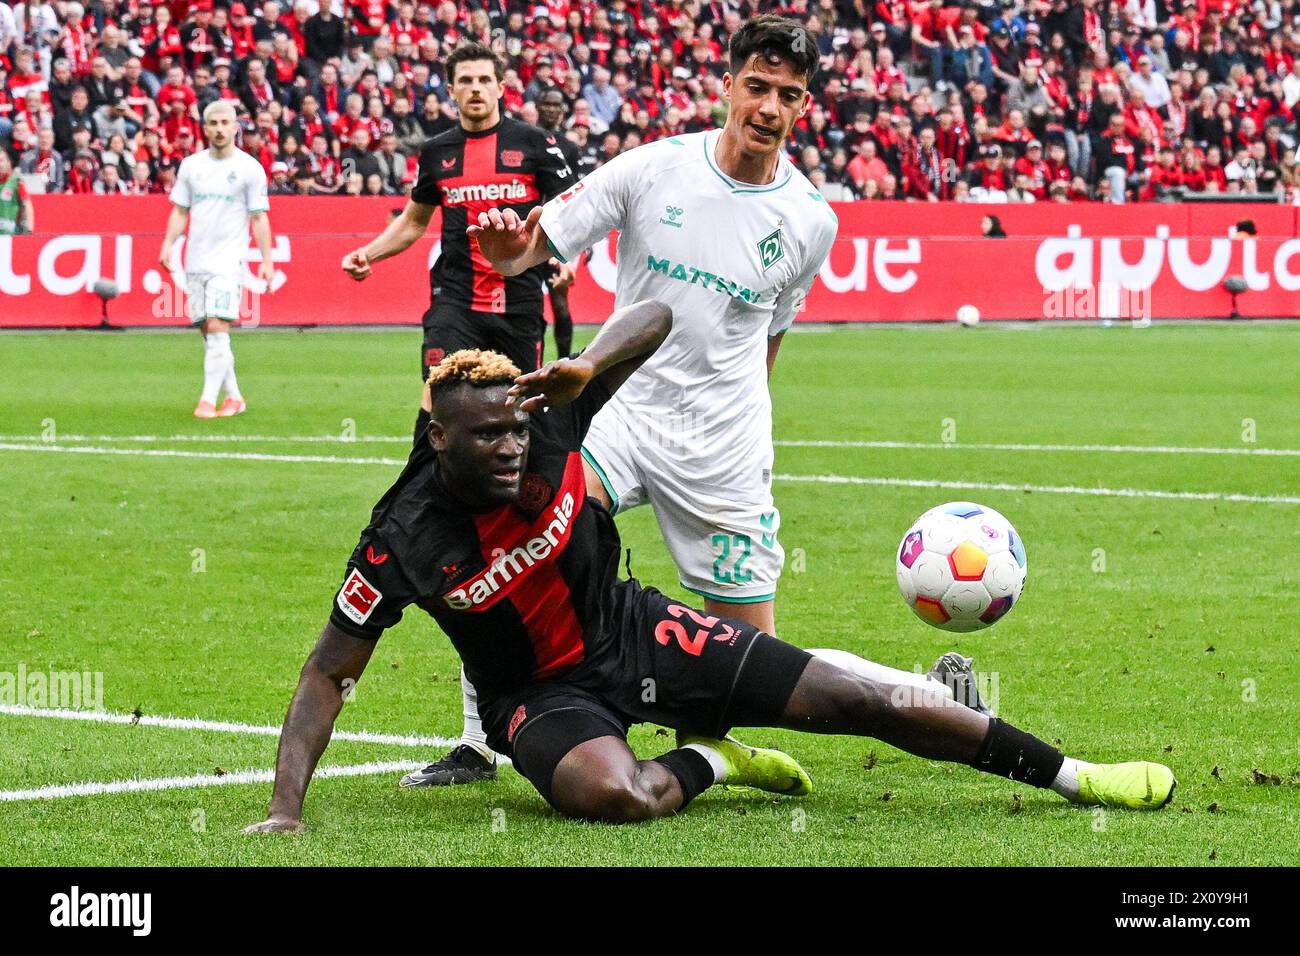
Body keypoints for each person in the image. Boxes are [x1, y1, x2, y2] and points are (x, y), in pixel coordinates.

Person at [242, 307, 1176, 833]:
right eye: (486, 435)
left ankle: (1074, 777)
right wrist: (287, 811)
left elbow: (656, 317)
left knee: (858, 700)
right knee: (617, 797)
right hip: (537, 697)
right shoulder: (402, 535)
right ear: (436, 437)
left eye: (517, 428)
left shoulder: (550, 419)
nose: (511, 448)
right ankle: (714, 756)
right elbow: (330, 670)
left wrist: (590, 365)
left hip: (639, 630)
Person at [407, 14, 841, 789]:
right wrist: (512, 253)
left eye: (789, 95)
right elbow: (537, 244)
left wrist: (740, 424)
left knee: (751, 675)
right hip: (620, 416)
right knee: (513, 526)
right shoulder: (651, 169)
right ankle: (478, 739)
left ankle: (731, 743)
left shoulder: (810, 219)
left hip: (724, 445)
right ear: (728, 85)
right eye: (757, 88)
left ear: (804, 106)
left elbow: (769, 336)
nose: (770, 109)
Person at [340, 42, 575, 382]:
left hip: (520, 299)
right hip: (455, 299)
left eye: (483, 80)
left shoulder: (535, 143)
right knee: (444, 398)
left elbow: (571, 211)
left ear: (500, 87)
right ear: (451, 90)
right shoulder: (437, 151)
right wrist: (368, 253)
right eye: (465, 81)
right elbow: (412, 221)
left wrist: (568, 261)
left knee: (518, 409)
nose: (475, 88)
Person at [158, 100, 275, 419]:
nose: (221, 129)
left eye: (226, 123)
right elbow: (180, 210)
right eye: (215, 123)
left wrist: (266, 260)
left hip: (229, 260)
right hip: (196, 260)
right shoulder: (191, 166)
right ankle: (234, 397)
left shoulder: (250, 168)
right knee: (208, 332)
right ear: (205, 128)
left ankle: (207, 401)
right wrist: (168, 245)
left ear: (235, 127)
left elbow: (259, 217)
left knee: (217, 325)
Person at [535, 88, 582, 359]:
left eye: (556, 104)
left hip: (555, 238)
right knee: (529, 306)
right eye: (547, 104)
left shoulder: (569, 148)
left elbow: (575, 193)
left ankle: (564, 362)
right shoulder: (527, 140)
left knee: (560, 306)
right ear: (539, 107)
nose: (551, 109)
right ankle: (531, 362)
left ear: (562, 110)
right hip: (528, 235)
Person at [0, 150, 34, 235]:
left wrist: (29, 229)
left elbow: (27, 205)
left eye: (1, 161)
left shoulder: (16, 182)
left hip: (10, 235)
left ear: (8, 163)